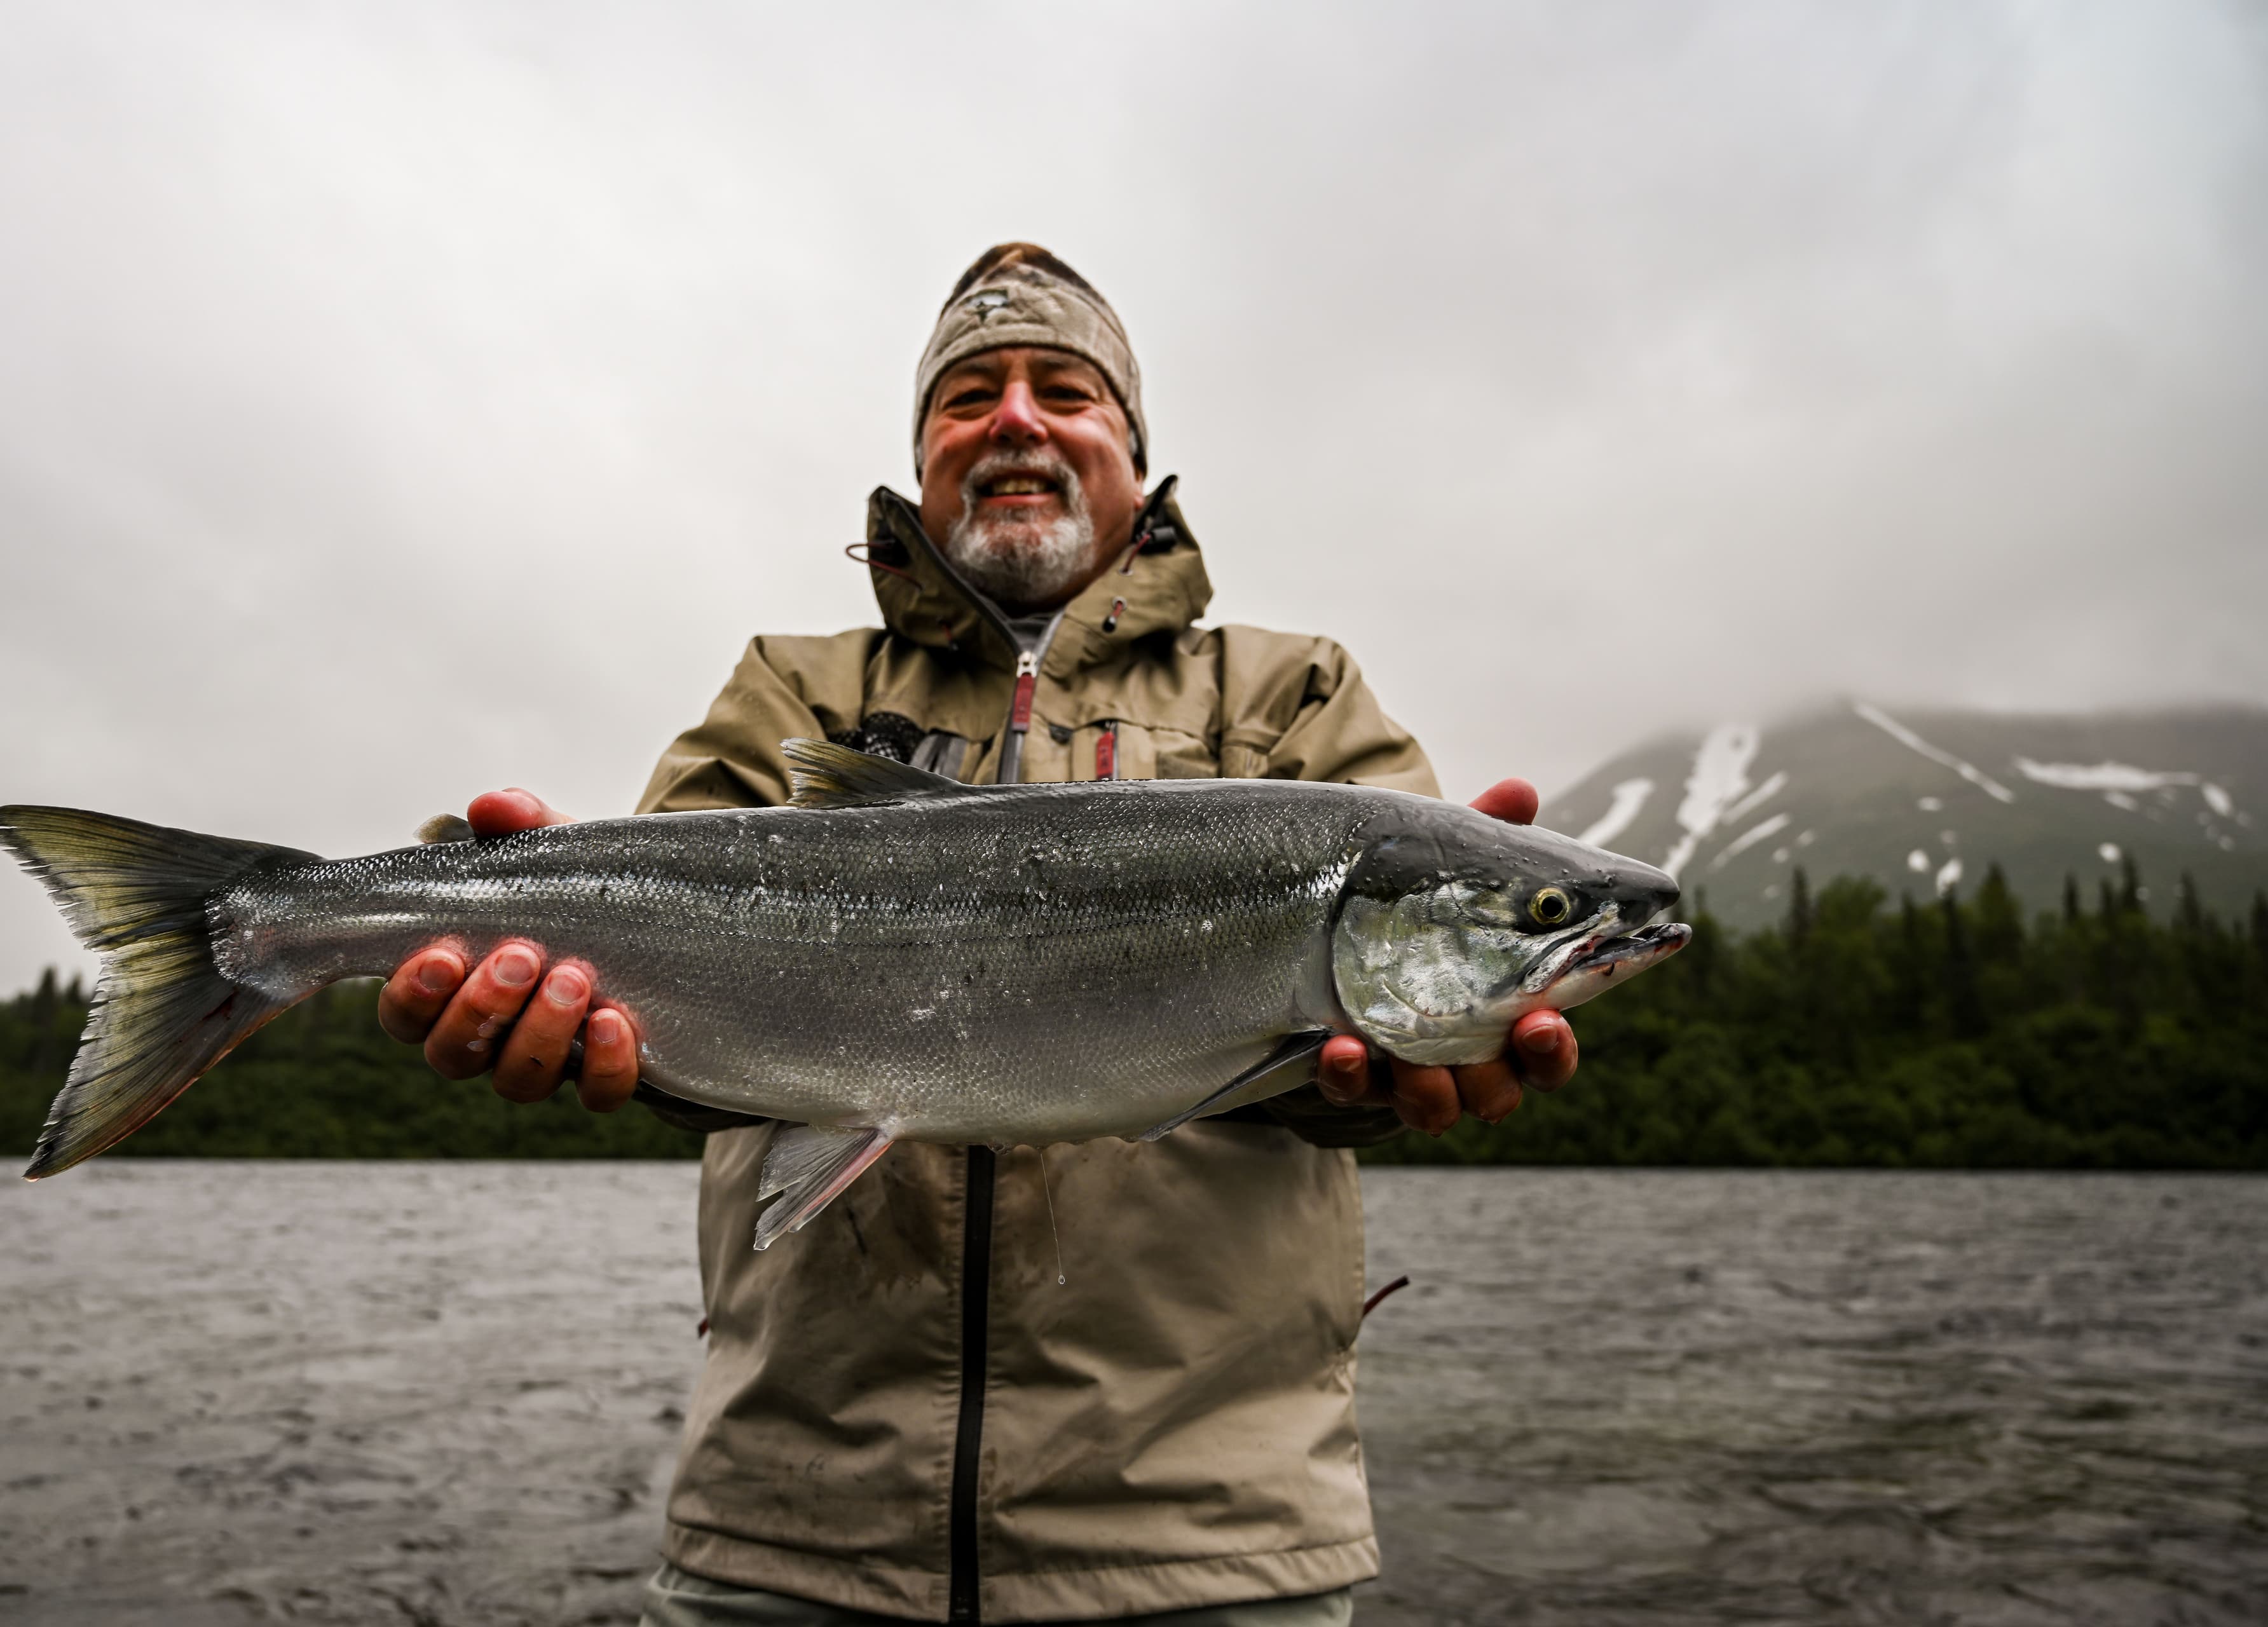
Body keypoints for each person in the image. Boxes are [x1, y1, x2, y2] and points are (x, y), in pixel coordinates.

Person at [376, 245, 1580, 1626]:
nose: (1016, 417)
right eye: (970, 396)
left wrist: (1412, 1064)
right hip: (792, 1526)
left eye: (1065, 389)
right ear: (923, 459)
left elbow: (1391, 1056)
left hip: (1206, 1540)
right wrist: (567, 1015)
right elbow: (657, 1033)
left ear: (1135, 456)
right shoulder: (795, 687)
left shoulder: (1294, 693)